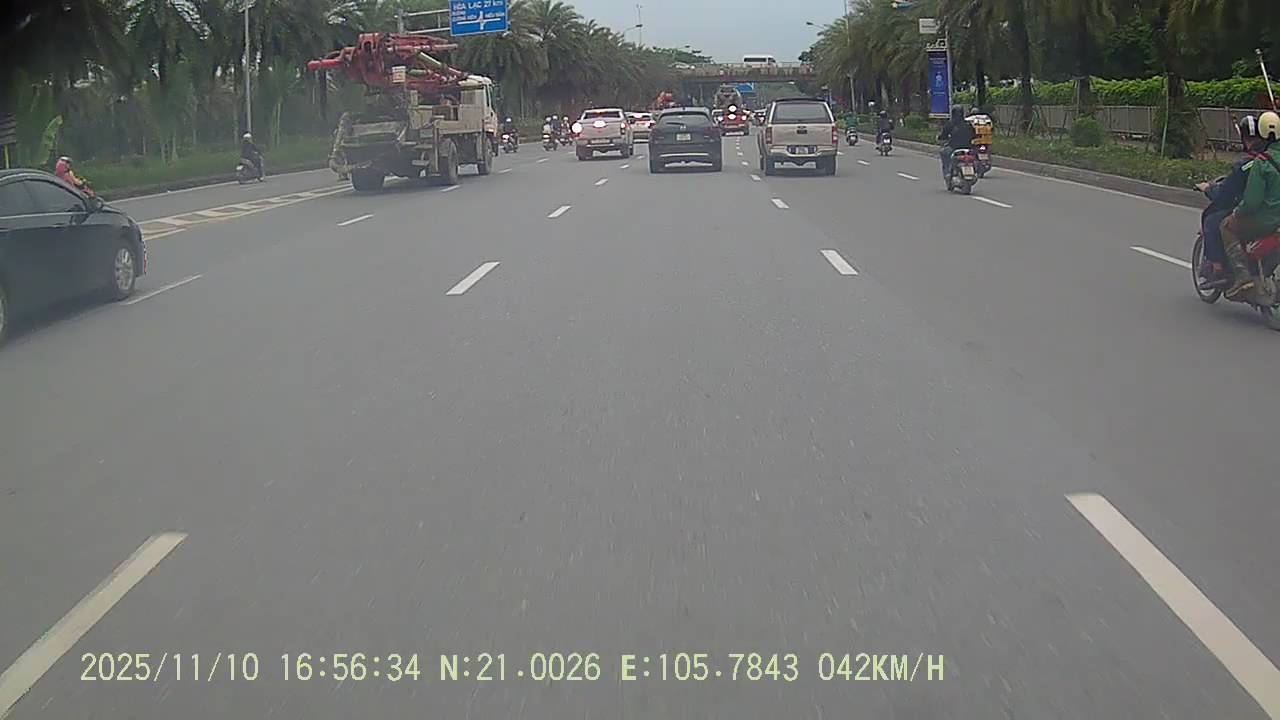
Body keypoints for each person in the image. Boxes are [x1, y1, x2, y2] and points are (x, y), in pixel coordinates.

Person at [1196, 115, 1263, 288]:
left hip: (1253, 211)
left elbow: (1225, 194)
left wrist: (1208, 189)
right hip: (1269, 210)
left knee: (1212, 221)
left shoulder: (1247, 165)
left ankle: (1219, 269)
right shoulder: (1271, 159)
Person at [1220, 110, 1280, 299]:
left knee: (1226, 226)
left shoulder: (1261, 163)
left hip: (1266, 220)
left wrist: (1237, 213)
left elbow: (1252, 202)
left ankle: (1243, 277)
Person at [937, 105, 976, 179]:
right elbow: (974, 135)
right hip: (968, 147)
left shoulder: (950, 124)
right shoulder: (968, 124)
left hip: (954, 147)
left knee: (944, 153)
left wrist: (940, 138)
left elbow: (943, 136)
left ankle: (948, 172)